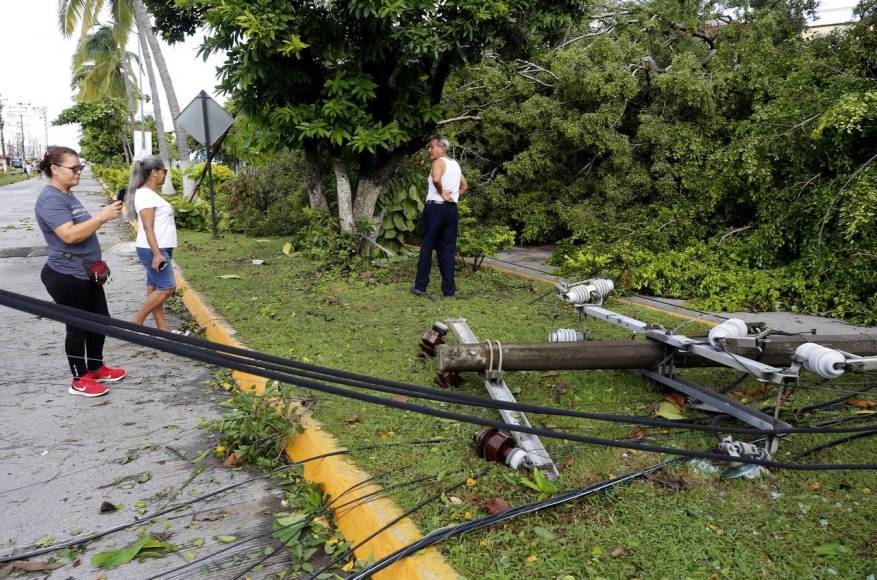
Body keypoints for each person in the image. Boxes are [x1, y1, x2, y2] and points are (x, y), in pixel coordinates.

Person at [34, 146, 125, 397]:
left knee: (101, 320)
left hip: (86, 271)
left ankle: (95, 367)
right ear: (54, 169)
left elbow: (81, 226)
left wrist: (102, 215)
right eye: (73, 168)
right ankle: (79, 378)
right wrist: (102, 217)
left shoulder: (67, 194)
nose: (78, 173)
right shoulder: (50, 199)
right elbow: (69, 235)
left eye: (79, 168)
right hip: (66, 274)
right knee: (78, 327)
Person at [412, 135, 468, 297]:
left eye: (431, 147)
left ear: (442, 148)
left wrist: (442, 192)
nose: (429, 150)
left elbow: (436, 179)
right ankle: (449, 291)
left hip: (435, 210)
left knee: (427, 247)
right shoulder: (455, 165)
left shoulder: (438, 162)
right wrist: (453, 197)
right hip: (451, 211)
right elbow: (464, 186)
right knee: (447, 250)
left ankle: (420, 287)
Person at [126, 155, 177, 331]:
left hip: (157, 247)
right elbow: (148, 227)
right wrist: (157, 254)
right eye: (164, 171)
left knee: (154, 287)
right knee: (167, 287)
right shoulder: (146, 195)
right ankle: (137, 321)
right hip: (154, 249)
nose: (165, 175)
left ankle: (163, 330)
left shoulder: (148, 194)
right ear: (154, 172)